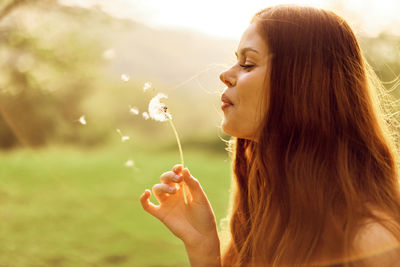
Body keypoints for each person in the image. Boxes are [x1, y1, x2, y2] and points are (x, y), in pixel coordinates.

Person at [140, 4, 400, 267]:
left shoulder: (372, 244)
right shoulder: (267, 210)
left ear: (302, 86)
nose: (226, 75)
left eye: (248, 64)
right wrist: (204, 249)